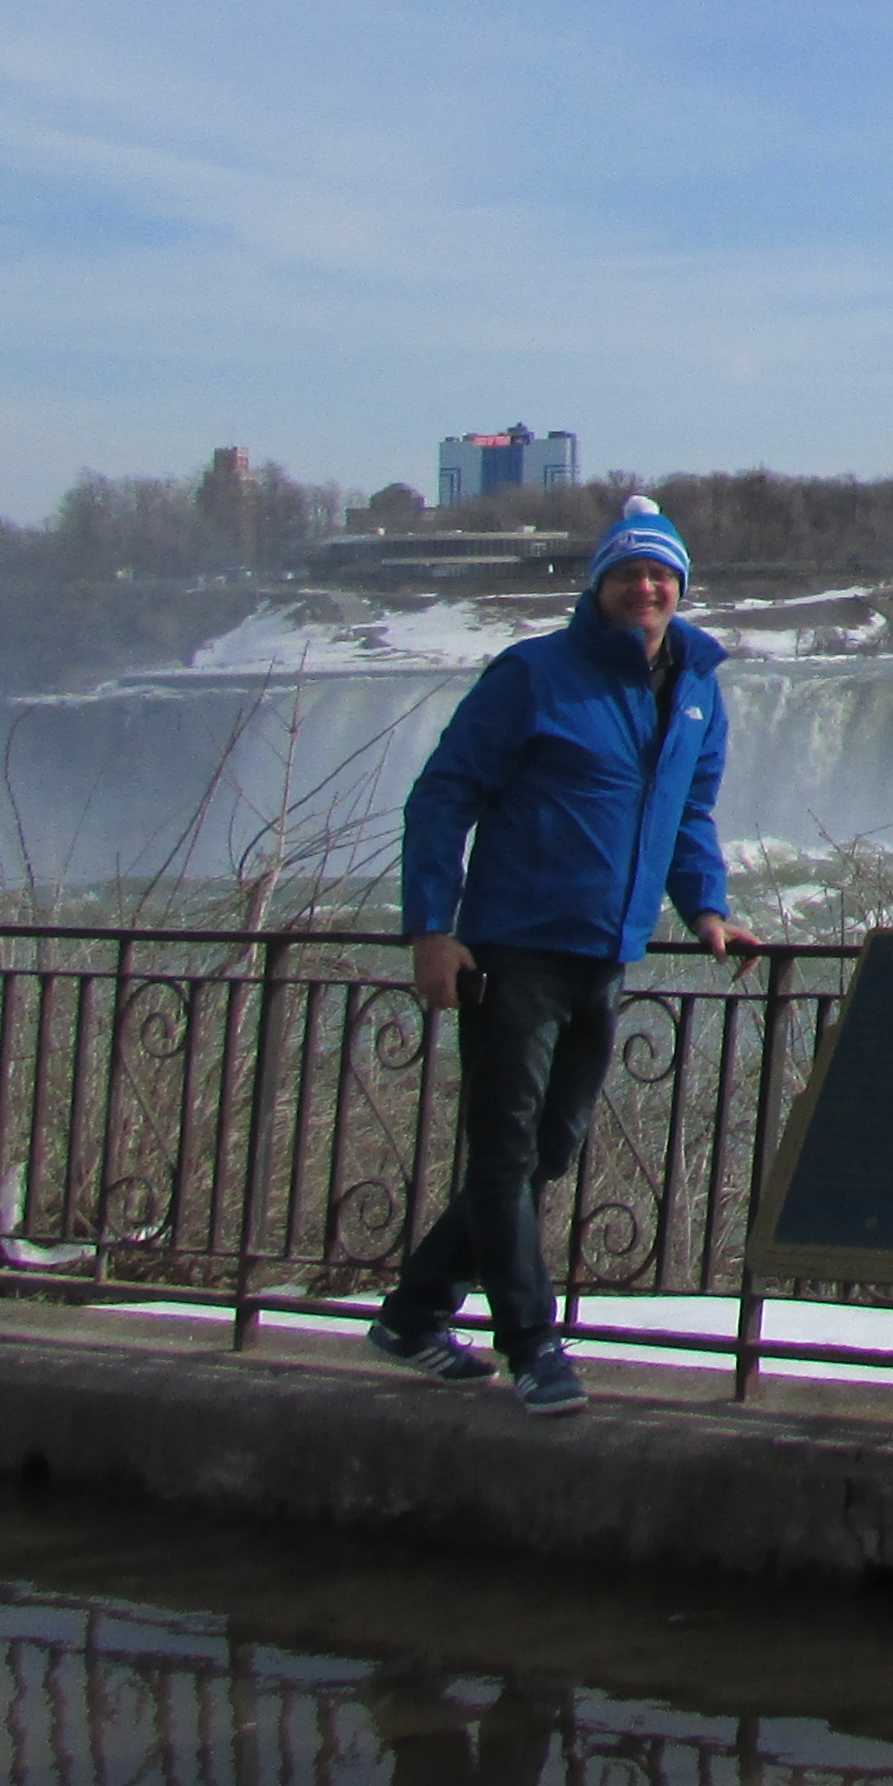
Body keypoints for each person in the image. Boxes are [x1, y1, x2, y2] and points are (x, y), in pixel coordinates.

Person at [370, 493, 760, 1414]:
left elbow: (686, 813)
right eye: (629, 574)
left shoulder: (697, 689)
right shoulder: (534, 675)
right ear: (598, 586)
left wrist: (706, 909)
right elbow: (442, 796)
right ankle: (534, 1348)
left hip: (607, 950)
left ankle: (413, 1315)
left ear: (681, 587)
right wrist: (431, 930)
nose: (646, 588)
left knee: (549, 1148)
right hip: (514, 948)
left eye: (661, 574)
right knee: (505, 1153)